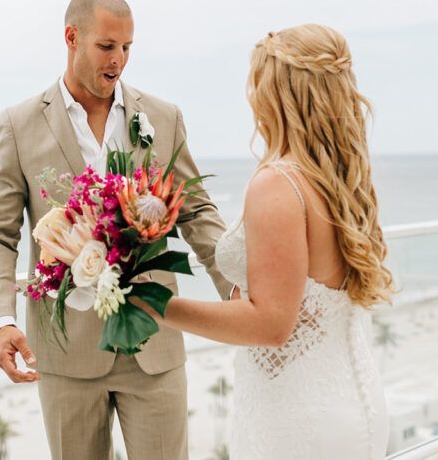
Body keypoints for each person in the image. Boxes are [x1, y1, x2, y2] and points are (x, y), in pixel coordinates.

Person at [0, 0, 232, 459]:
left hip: (155, 343)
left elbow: (195, 210)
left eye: (127, 48)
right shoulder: (19, 123)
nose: (118, 61)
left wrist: (237, 286)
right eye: (107, 47)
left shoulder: (162, 117)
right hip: (67, 351)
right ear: (72, 38)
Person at [133, 24, 393, 459]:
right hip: (352, 396)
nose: (253, 100)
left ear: (278, 95)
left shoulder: (278, 184)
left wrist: (152, 303)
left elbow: (271, 325)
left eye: (258, 85)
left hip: (296, 416)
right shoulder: (341, 179)